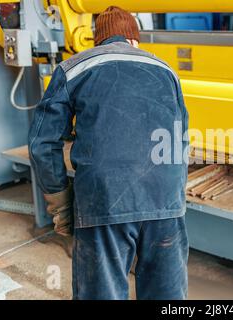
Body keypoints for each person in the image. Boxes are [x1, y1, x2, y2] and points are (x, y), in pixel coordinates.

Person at [28, 6, 189, 300]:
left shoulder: (72, 68)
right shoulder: (166, 70)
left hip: (104, 200)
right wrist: (172, 193)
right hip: (165, 200)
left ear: (97, 40)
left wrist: (60, 202)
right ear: (134, 41)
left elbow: (42, 143)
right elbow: (181, 139)